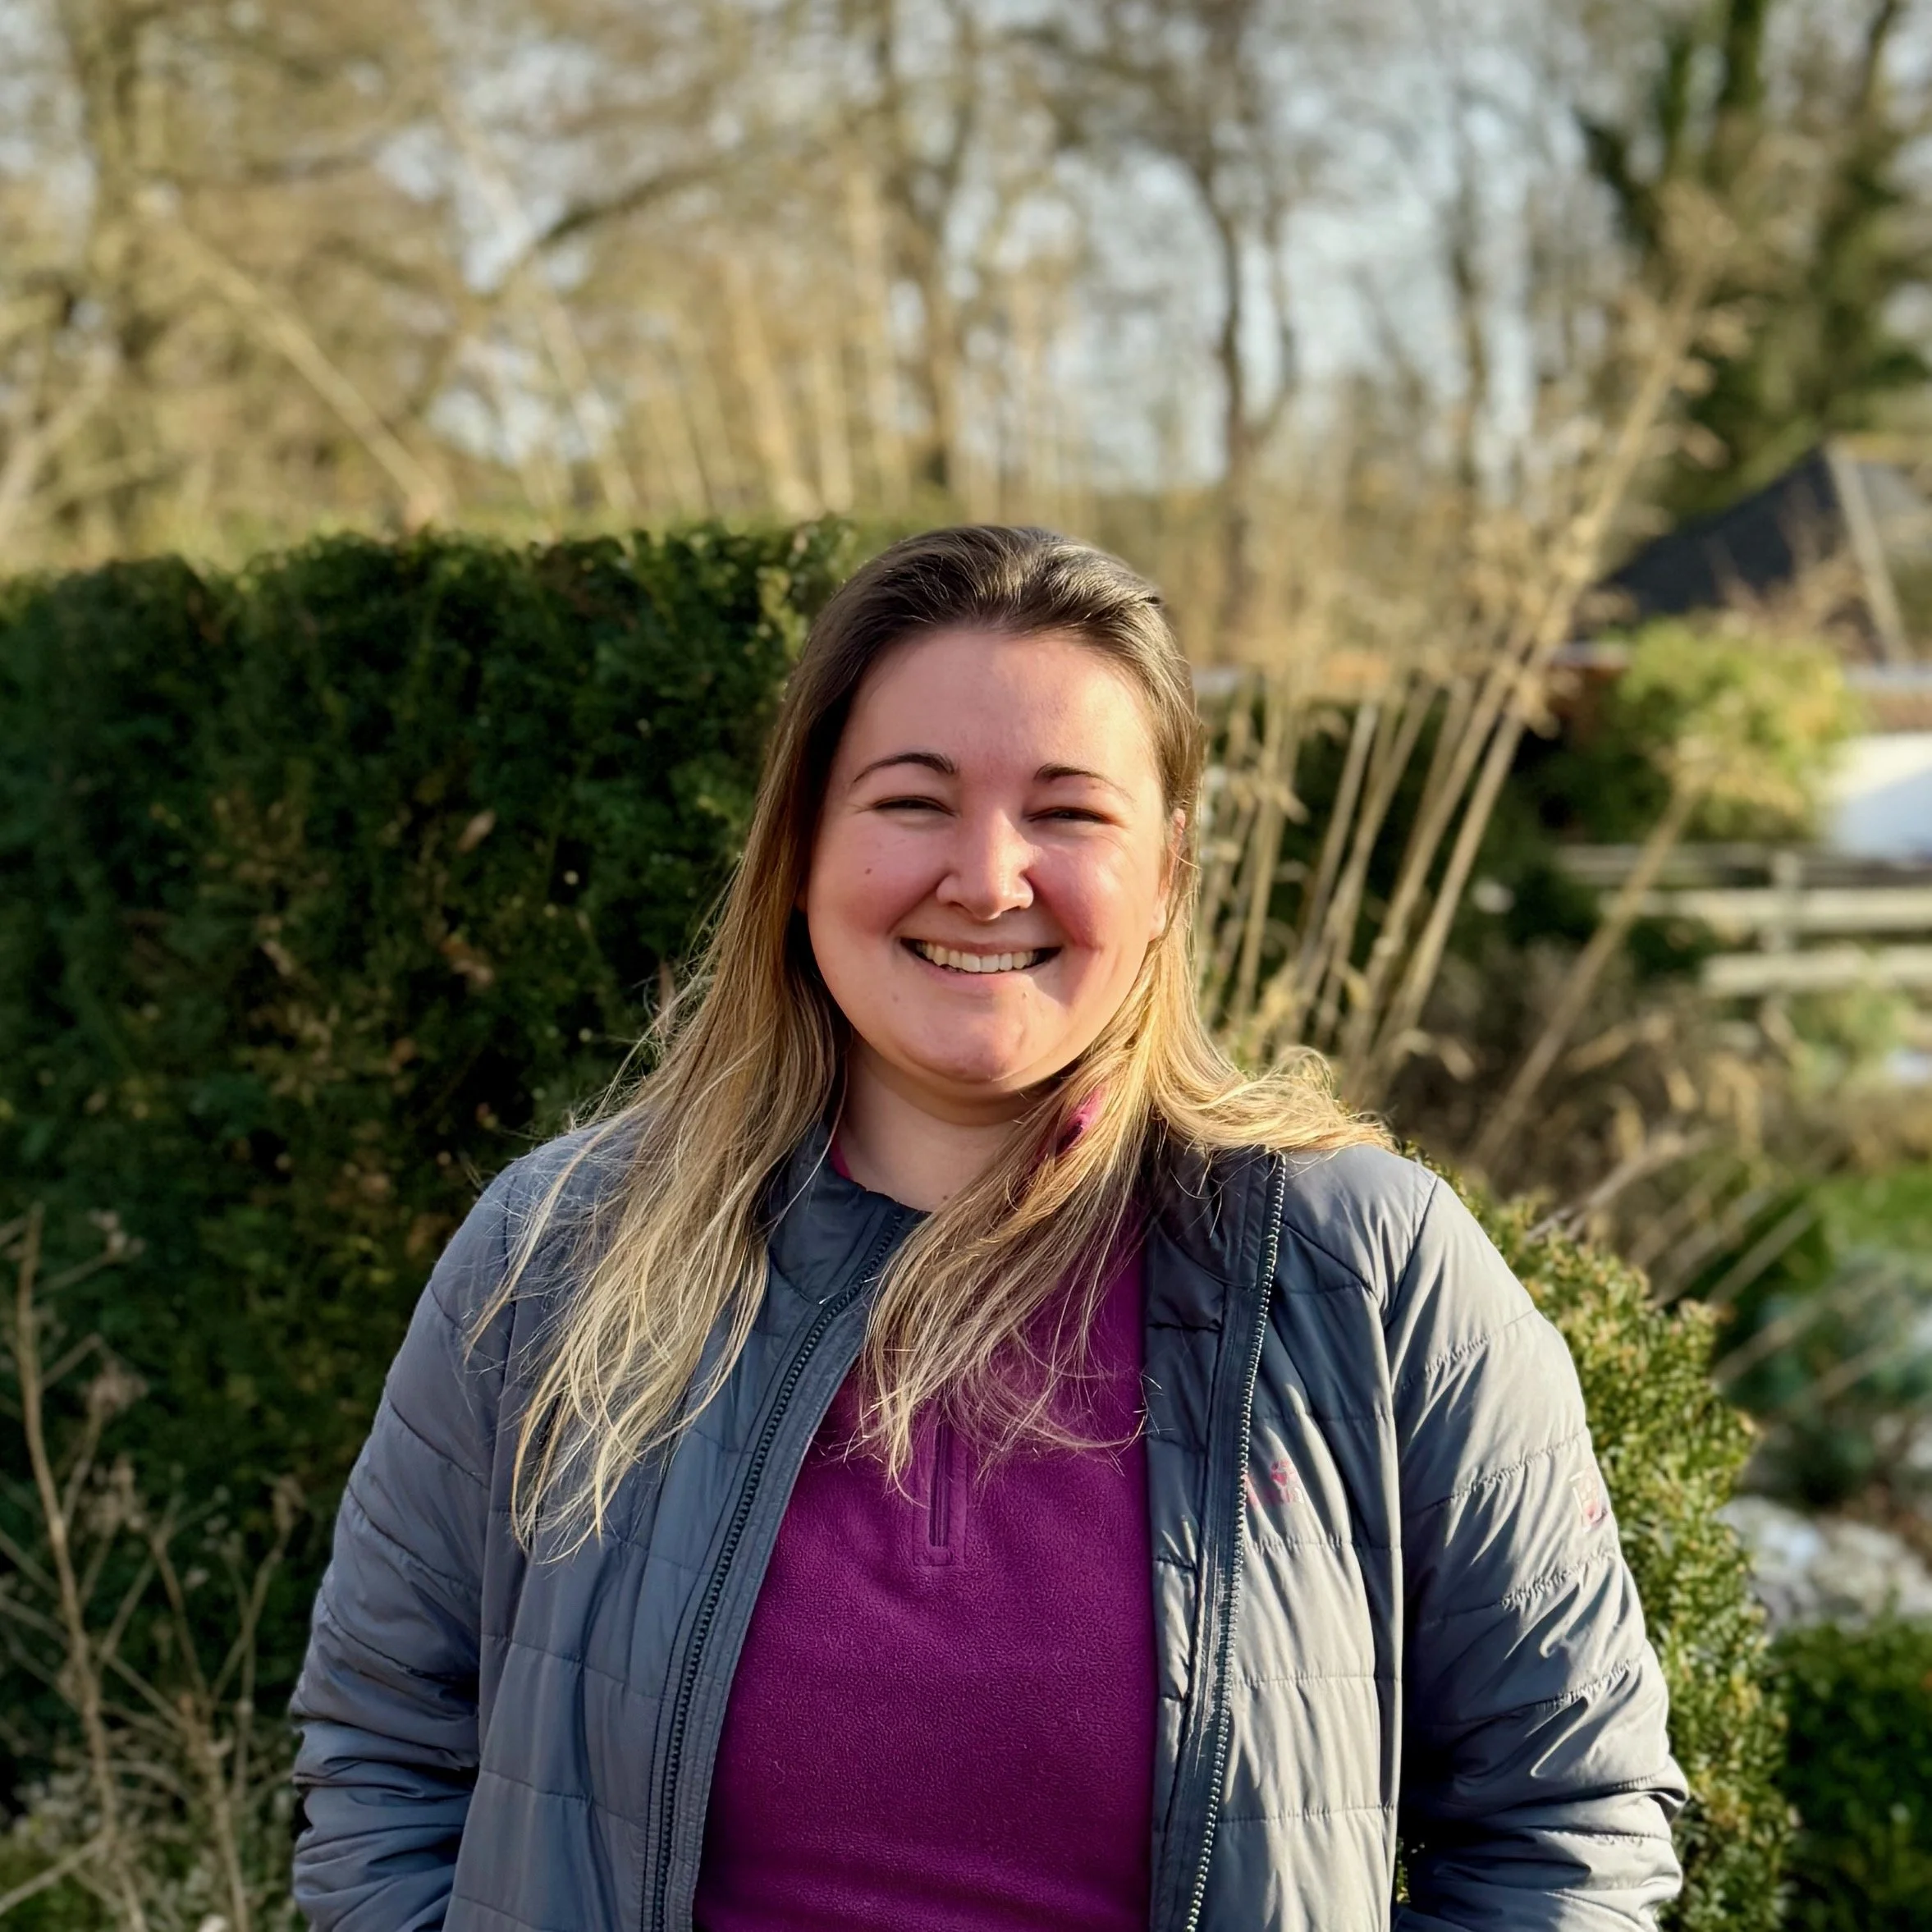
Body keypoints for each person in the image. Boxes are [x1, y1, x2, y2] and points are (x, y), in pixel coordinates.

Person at [289, 525, 1687, 1932]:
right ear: (800, 844)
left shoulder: (1360, 1272)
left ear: (1168, 872)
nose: (987, 876)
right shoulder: (558, 1256)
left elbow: (1567, 1815)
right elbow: (383, 1758)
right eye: (913, 800)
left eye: (1067, 813)